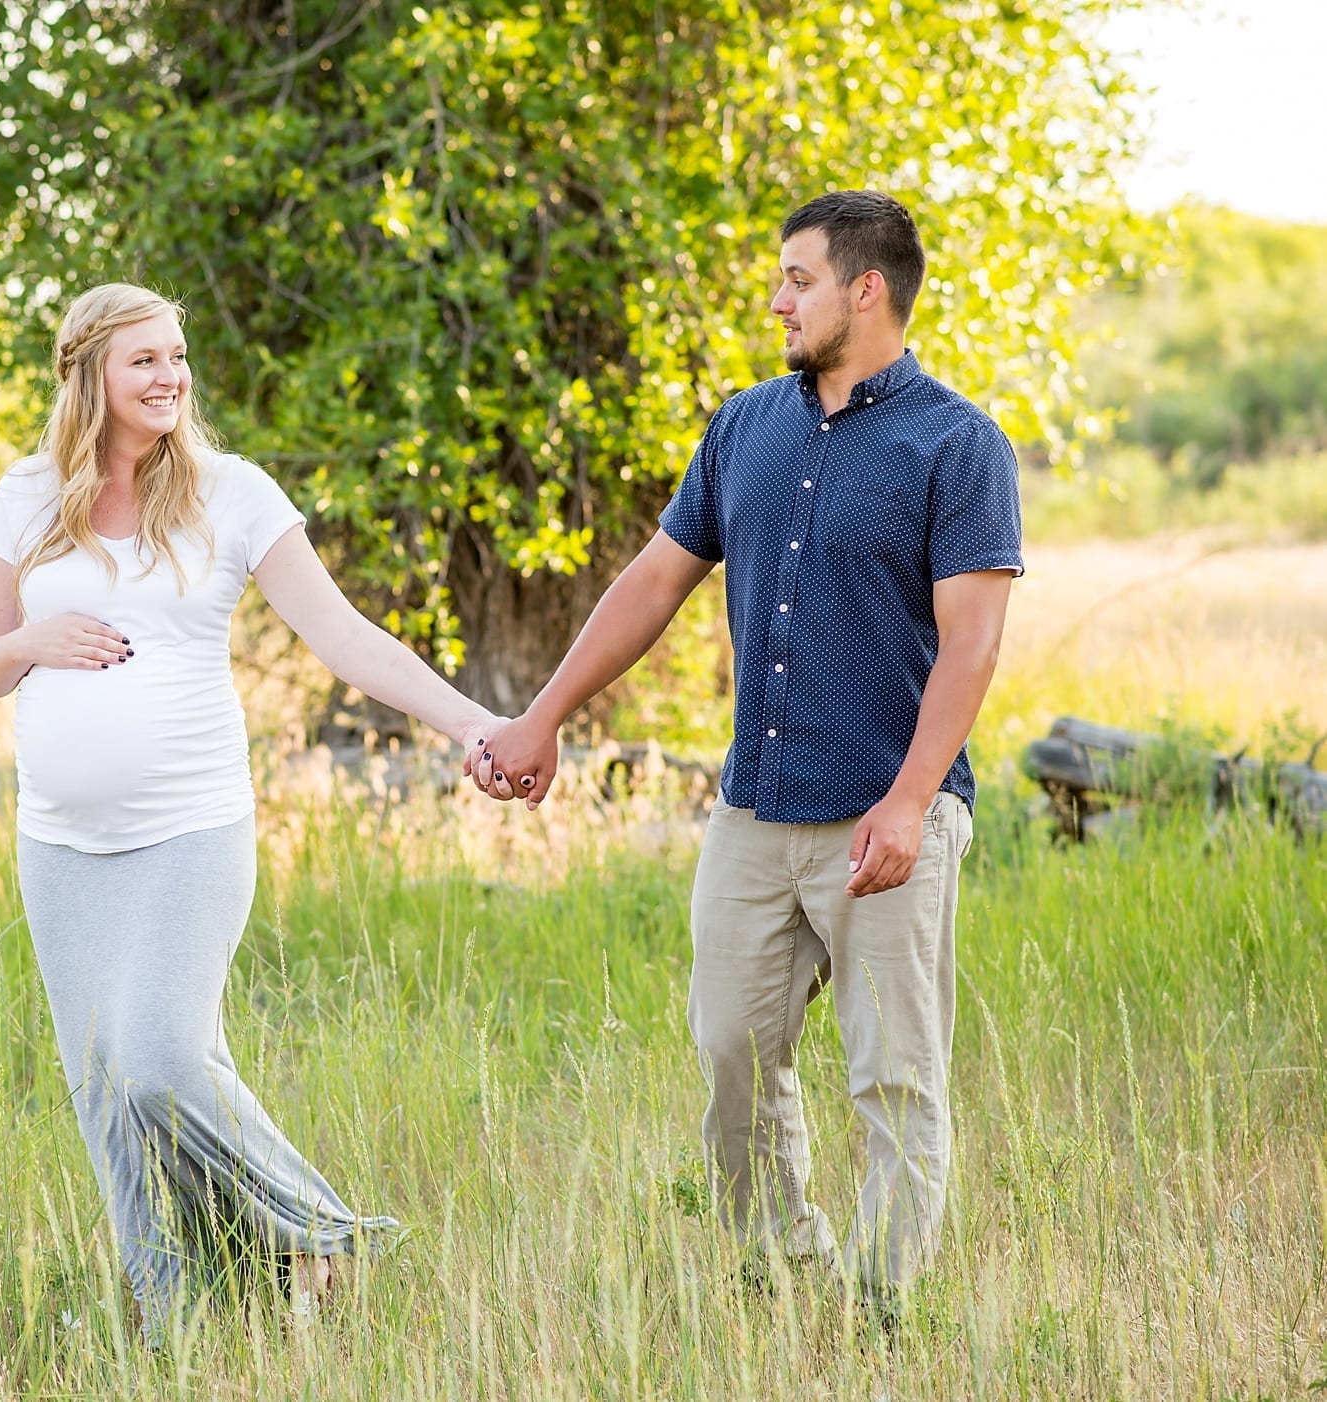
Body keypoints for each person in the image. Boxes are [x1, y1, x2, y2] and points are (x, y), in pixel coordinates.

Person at [470, 191, 1021, 1310]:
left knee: (896, 1079)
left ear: (866, 290)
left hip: (886, 816)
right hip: (754, 813)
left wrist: (913, 800)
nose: (778, 300)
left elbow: (972, 645)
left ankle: (881, 1313)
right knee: (732, 1053)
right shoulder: (743, 425)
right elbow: (654, 583)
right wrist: (547, 712)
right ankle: (784, 1276)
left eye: (798, 279)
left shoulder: (959, 446)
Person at [0, 283, 500, 1345]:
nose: (170, 377)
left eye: (177, 356)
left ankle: (329, 1232)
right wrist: (33, 642)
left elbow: (349, 643)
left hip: (188, 829)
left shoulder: (234, 495)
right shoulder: (27, 497)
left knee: (160, 1057)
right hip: (60, 847)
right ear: (89, 379)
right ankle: (183, 1324)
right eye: (143, 361)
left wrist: (475, 727)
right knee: (109, 1099)